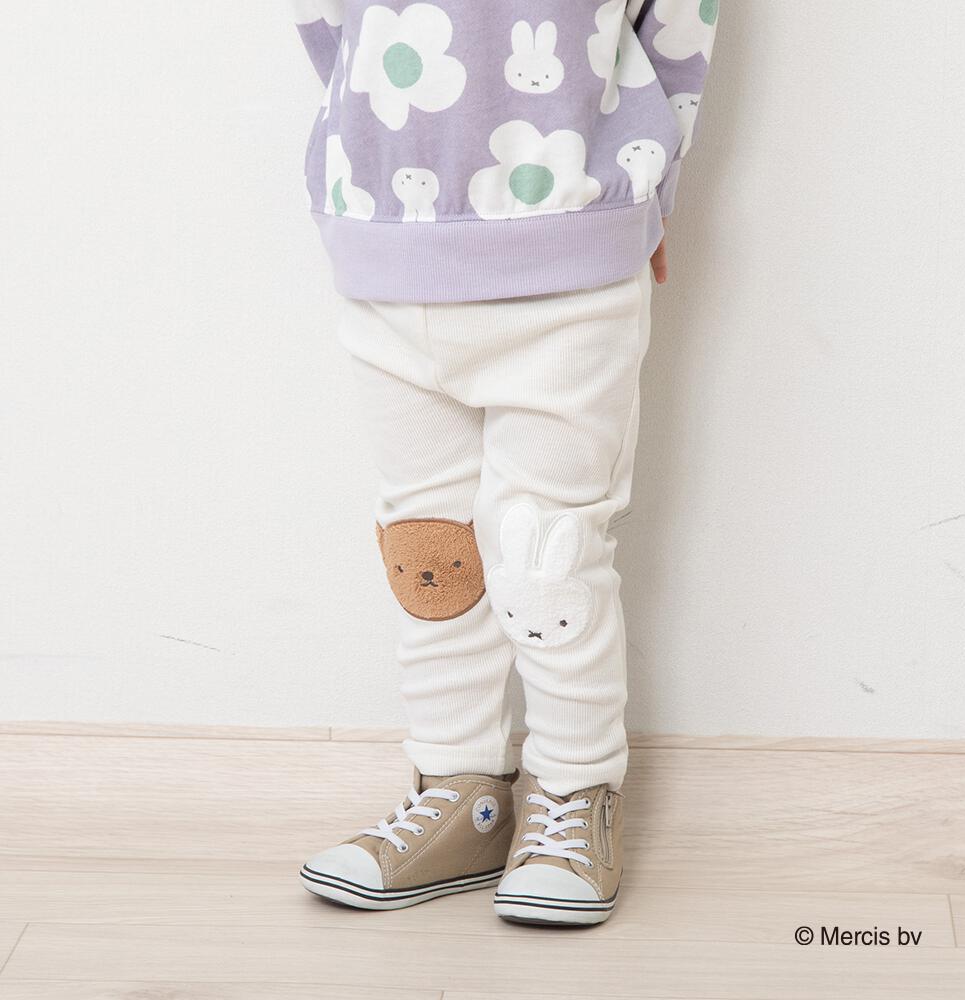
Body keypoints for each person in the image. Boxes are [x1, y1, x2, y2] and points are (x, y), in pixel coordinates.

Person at [290, 0, 717, 926]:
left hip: (572, 246)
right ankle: (459, 792)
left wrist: (652, 186)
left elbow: (682, 20)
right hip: (384, 240)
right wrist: (366, 156)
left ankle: (574, 791)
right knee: (427, 550)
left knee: (546, 554)